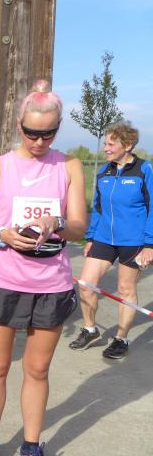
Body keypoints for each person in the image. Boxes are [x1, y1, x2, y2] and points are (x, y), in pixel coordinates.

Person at [0, 80, 86, 456]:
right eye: (32, 132)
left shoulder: (69, 167)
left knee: (37, 370)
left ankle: (32, 446)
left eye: (48, 133)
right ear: (19, 125)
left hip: (51, 284)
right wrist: (1, 234)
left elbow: (80, 227)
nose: (39, 141)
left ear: (57, 128)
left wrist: (58, 223)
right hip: (4, 281)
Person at [70, 120, 153, 358]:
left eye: (110, 144)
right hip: (104, 238)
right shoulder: (103, 172)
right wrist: (91, 237)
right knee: (85, 284)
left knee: (125, 288)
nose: (105, 148)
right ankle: (90, 329)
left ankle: (121, 339)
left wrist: (150, 244)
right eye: (105, 144)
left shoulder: (144, 170)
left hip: (134, 242)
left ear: (127, 145)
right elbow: (97, 208)